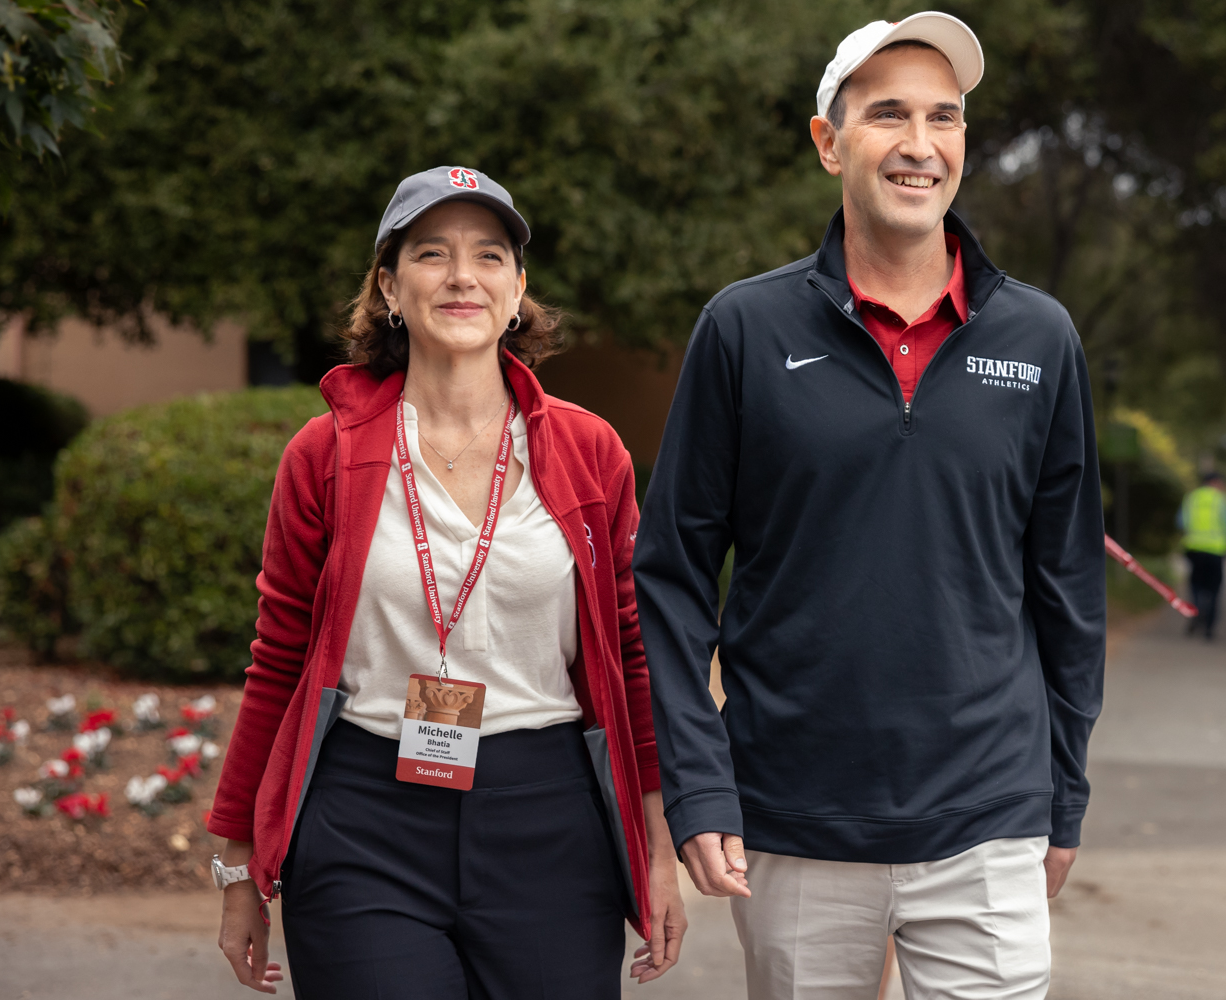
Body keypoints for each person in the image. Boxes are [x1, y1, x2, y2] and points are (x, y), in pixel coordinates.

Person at [633, 13, 1105, 1000]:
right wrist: (700, 781)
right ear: (829, 141)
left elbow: (1067, 588)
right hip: (795, 822)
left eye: (945, 117)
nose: (920, 145)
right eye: (887, 114)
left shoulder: (1043, 338)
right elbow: (672, 578)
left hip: (988, 817)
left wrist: (1063, 795)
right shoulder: (742, 329)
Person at [208, 166, 685, 998]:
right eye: (432, 253)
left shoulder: (588, 452)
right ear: (390, 286)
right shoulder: (325, 457)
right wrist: (238, 865)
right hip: (365, 823)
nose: (463, 276)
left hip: (550, 821)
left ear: (517, 289)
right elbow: (277, 663)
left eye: (490, 255)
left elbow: (631, 660)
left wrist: (656, 849)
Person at [1179, 471, 1226, 640]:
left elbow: (1180, 522)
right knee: (1214, 591)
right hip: (1216, 551)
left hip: (1194, 548)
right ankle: (1209, 629)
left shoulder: (1192, 498)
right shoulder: (1221, 500)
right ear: (1216, 482)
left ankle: (1195, 613)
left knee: (1196, 587)